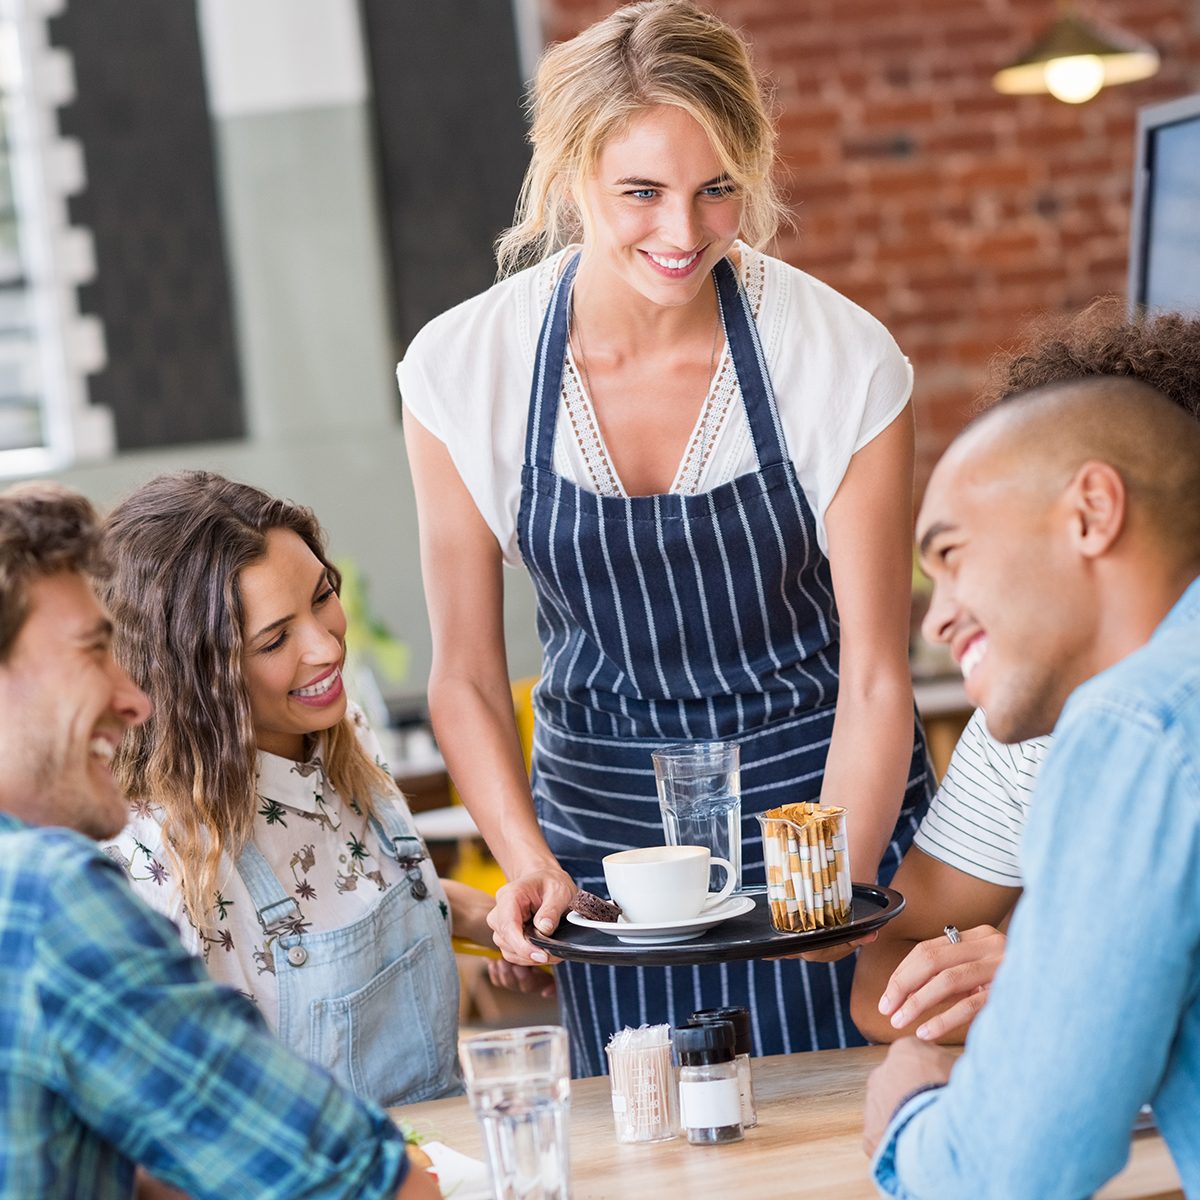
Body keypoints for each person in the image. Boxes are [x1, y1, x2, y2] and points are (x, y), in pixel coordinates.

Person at [398, 0, 932, 1074]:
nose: (683, 235)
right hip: (608, 843)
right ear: (567, 177)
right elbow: (462, 675)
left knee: (849, 1120)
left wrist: (823, 897)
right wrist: (526, 863)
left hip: (822, 809)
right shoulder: (466, 371)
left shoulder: (837, 358)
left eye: (717, 189)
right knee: (652, 1138)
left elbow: (877, 678)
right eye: (640, 191)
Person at [0, 482, 438, 1200]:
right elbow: (353, 1182)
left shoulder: (338, 746)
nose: (136, 698)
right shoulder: (51, 897)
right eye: (90, 653)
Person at [863, 376, 1200, 1197]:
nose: (936, 618)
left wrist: (907, 1106)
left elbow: (1006, 1173)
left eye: (950, 555)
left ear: (1091, 512)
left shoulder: (1136, 725)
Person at [98, 471, 501, 1107]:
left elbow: (348, 893)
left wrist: (488, 918)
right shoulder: (163, 858)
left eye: (322, 597)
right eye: (275, 639)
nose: (325, 646)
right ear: (197, 680)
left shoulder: (343, 732)